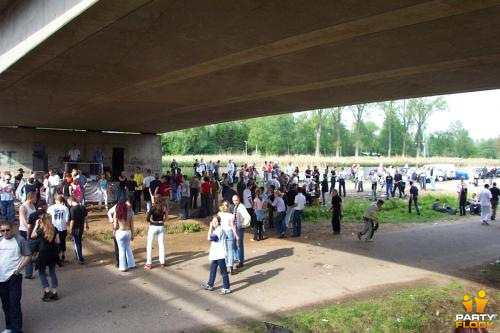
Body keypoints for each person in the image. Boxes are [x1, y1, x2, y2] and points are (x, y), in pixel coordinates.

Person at [0, 222, 32, 333]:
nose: (5, 232)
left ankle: (17, 329)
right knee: (5, 304)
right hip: (1, 277)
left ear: (12, 229)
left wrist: (18, 270)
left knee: (14, 303)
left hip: (14, 277)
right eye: (2, 230)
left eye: (7, 230)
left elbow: (28, 255)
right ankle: (9, 327)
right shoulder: (0, 240)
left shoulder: (20, 240)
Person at [31, 214, 61, 301]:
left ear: (42, 221)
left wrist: (36, 225)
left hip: (43, 253)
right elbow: (58, 241)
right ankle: (55, 292)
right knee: (52, 272)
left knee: (41, 272)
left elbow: (32, 236)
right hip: (53, 253)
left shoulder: (41, 230)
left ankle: (47, 291)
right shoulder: (55, 229)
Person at [202, 215, 231, 294]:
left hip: (220, 254)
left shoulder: (219, 230)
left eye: (216, 221)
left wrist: (210, 227)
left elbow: (211, 238)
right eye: (213, 221)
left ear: (219, 222)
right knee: (213, 270)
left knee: (223, 272)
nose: (215, 223)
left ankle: (226, 287)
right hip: (216, 254)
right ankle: (210, 284)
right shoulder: (218, 229)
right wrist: (211, 228)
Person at [145, 195, 167, 270]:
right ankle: (162, 262)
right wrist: (161, 221)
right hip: (161, 226)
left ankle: (149, 264)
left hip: (153, 226)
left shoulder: (153, 207)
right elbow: (166, 218)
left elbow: (148, 219)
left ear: (155, 200)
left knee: (149, 245)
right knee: (161, 245)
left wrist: (153, 221)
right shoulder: (164, 207)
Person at [113, 200, 136, 272]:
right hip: (128, 232)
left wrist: (114, 231)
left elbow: (115, 225)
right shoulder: (129, 213)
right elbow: (132, 225)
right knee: (128, 248)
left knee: (121, 250)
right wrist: (133, 234)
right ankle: (131, 264)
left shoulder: (117, 213)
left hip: (120, 232)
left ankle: (123, 267)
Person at [47, 195, 70, 262]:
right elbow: (66, 220)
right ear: (61, 200)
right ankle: (63, 254)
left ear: (55, 200)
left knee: (54, 242)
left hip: (53, 227)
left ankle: (56, 255)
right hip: (62, 227)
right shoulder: (65, 208)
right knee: (63, 242)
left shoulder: (50, 208)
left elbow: (48, 218)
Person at [218, 201, 238, 274]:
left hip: (222, 233)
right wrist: (236, 235)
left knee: (224, 250)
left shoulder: (219, 214)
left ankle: (224, 268)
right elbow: (232, 226)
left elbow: (218, 225)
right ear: (228, 206)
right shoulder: (230, 215)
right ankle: (231, 269)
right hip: (229, 232)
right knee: (230, 250)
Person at [68, 196, 89, 264]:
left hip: (75, 228)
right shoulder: (82, 207)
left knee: (77, 243)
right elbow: (86, 216)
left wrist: (70, 229)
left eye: (68, 202)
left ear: (71, 201)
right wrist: (87, 224)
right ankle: (78, 256)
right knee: (79, 242)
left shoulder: (72, 209)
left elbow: (72, 220)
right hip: (81, 227)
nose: (68, 204)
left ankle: (80, 258)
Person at [232, 195, 250, 268]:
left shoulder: (242, 207)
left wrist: (243, 225)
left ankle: (240, 261)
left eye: (236, 200)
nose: (235, 202)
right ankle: (237, 257)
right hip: (234, 226)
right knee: (233, 242)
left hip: (239, 227)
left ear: (239, 199)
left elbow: (248, 217)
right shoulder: (235, 207)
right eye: (234, 200)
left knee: (239, 244)